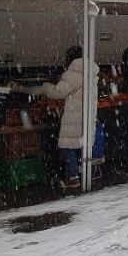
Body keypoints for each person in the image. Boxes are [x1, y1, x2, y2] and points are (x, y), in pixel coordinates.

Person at [36, 46, 86, 190]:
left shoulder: (73, 73)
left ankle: (73, 176)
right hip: (84, 113)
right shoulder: (89, 72)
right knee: (77, 144)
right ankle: (79, 172)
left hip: (73, 114)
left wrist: (46, 86)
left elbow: (58, 92)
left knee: (67, 144)